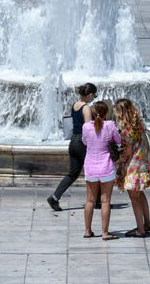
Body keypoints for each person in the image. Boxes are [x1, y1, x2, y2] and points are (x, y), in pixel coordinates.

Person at [48, 83, 96, 211]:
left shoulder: (75, 105)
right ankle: (97, 201)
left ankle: (54, 197)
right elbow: (88, 128)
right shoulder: (86, 108)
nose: (93, 98)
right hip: (82, 141)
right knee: (94, 170)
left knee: (73, 173)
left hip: (73, 141)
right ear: (90, 94)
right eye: (93, 95)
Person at [82, 101, 122, 240]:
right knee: (105, 201)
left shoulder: (86, 127)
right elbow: (118, 140)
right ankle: (105, 233)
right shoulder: (109, 125)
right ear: (106, 113)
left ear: (93, 112)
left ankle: (88, 231)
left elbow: (85, 142)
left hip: (90, 167)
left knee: (90, 200)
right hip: (106, 167)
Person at [114, 98, 150, 237]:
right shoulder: (139, 122)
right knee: (140, 194)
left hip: (132, 167)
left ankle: (140, 229)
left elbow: (128, 151)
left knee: (134, 198)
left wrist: (116, 150)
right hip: (142, 163)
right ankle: (147, 223)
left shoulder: (126, 129)